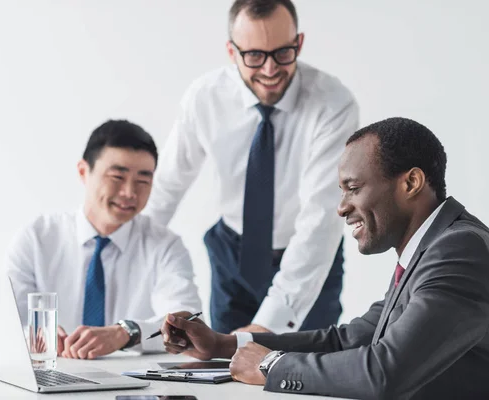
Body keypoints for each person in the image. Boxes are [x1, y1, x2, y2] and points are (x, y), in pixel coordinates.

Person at [159, 117, 489, 399]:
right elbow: (350, 340)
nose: (342, 207)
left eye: (353, 188)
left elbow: (386, 373)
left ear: (410, 183)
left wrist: (271, 365)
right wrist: (223, 344)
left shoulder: (460, 251)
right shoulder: (432, 250)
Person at [144, 0, 358, 335]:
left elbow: (320, 218)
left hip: (306, 256)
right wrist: (128, 263)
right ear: (232, 51)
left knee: (308, 373)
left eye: (283, 53)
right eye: (254, 56)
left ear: (299, 43)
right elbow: (166, 189)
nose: (270, 69)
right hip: (232, 253)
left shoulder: (333, 104)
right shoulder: (205, 98)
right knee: (225, 373)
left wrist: (267, 325)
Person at [6, 120, 201, 358]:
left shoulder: (165, 246)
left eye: (143, 180)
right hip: (51, 374)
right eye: (117, 177)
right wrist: (35, 335)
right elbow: (6, 321)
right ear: (83, 172)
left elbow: (189, 323)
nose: (130, 192)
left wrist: (128, 332)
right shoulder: (36, 239)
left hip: (135, 384)